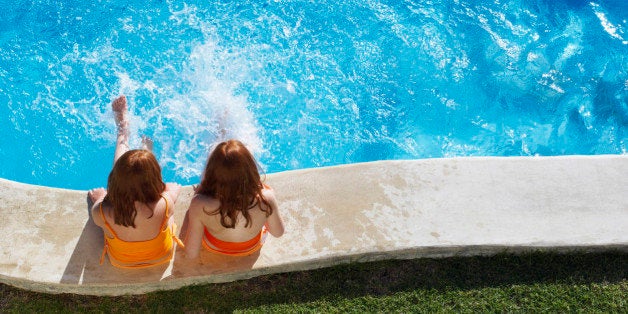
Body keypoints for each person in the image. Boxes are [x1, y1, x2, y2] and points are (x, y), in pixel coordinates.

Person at [88, 95, 182, 268]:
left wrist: (101, 197)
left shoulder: (102, 212)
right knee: (146, 174)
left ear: (113, 182)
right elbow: (173, 189)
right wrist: (170, 190)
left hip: (120, 261)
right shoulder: (164, 204)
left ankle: (123, 131)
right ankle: (146, 153)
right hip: (162, 256)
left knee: (124, 168)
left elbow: (99, 202)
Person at [181, 139, 285, 259]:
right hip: (251, 246)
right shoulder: (266, 198)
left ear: (211, 174)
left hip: (214, 246)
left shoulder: (200, 204)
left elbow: (191, 253)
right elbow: (278, 233)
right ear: (251, 170)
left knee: (213, 150)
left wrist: (198, 194)